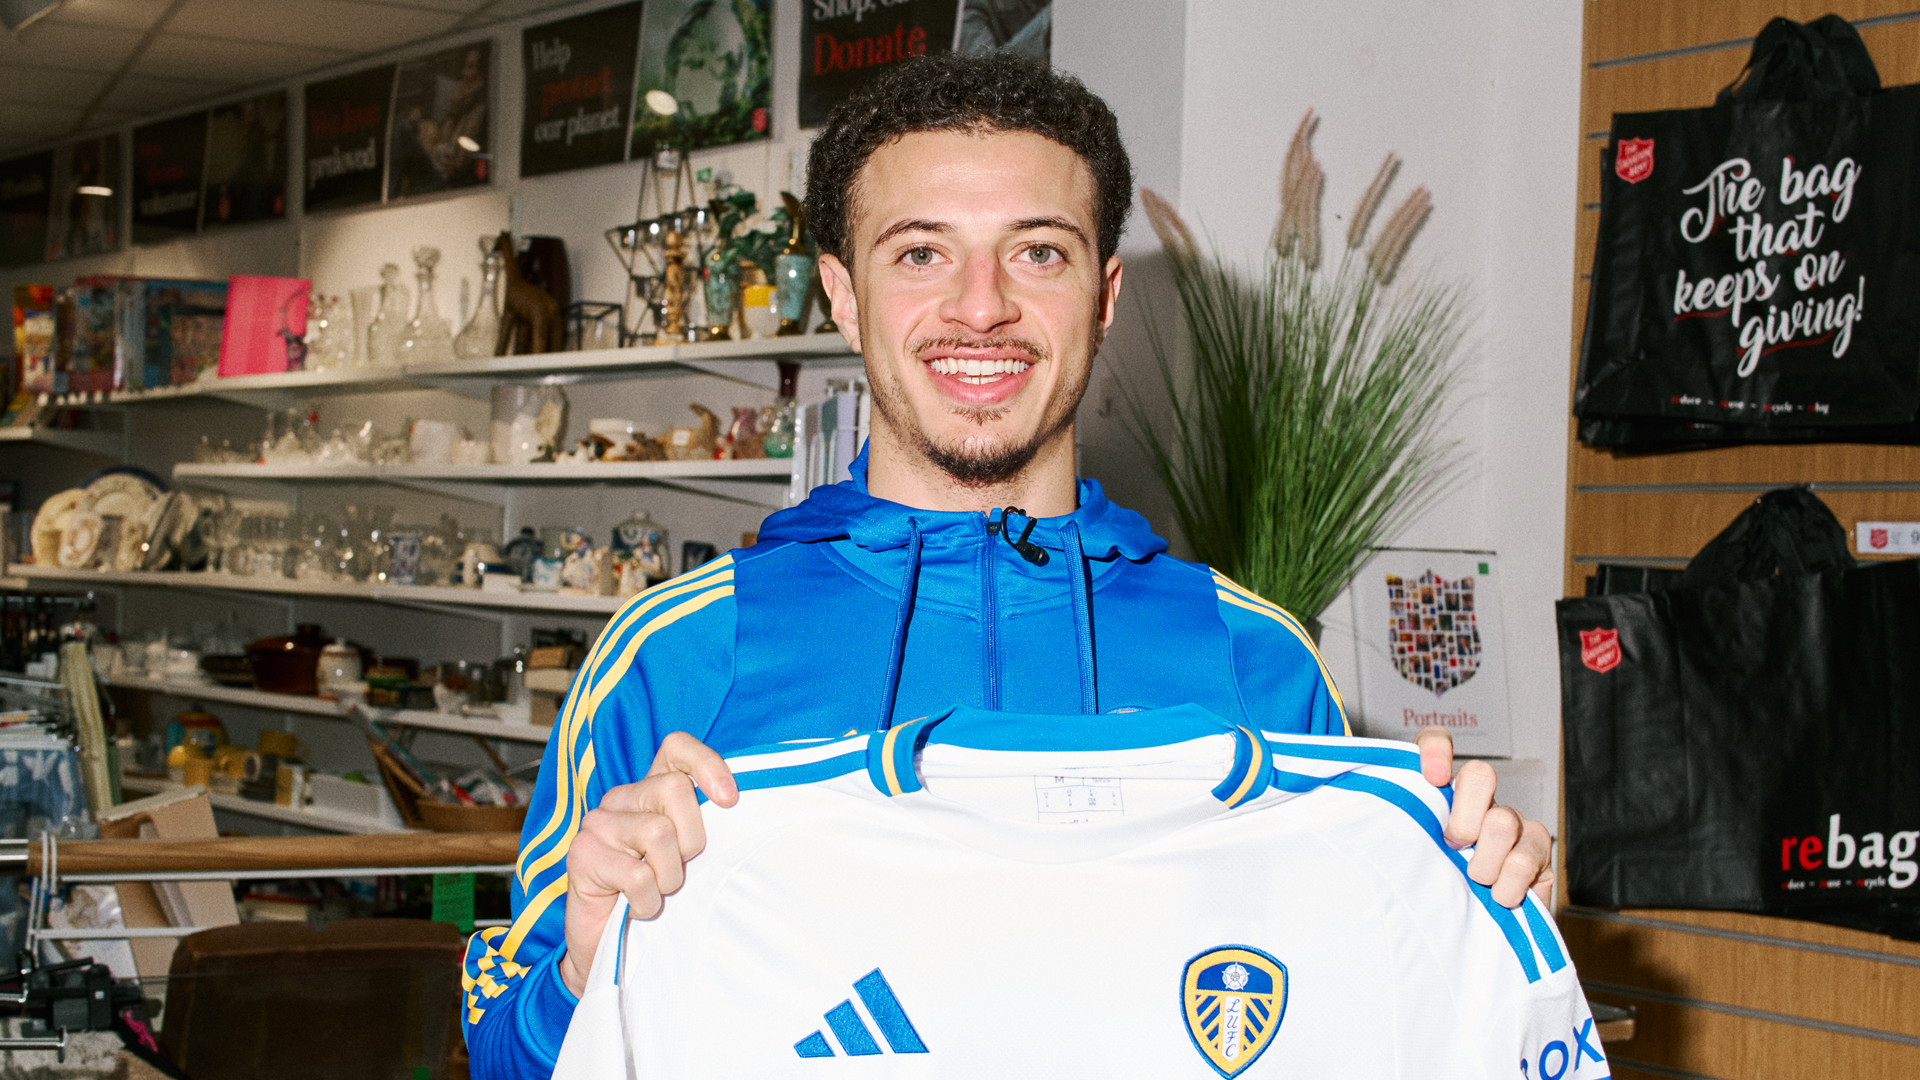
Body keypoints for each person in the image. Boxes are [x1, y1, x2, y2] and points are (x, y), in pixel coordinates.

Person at [462, 53, 1553, 1080]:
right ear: (842, 295)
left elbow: (1344, 1017)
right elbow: (501, 1055)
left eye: (1038, 252)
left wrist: (1477, 912)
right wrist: (582, 965)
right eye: (921, 252)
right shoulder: (676, 653)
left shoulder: (1254, 657)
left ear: (1105, 295)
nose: (980, 306)